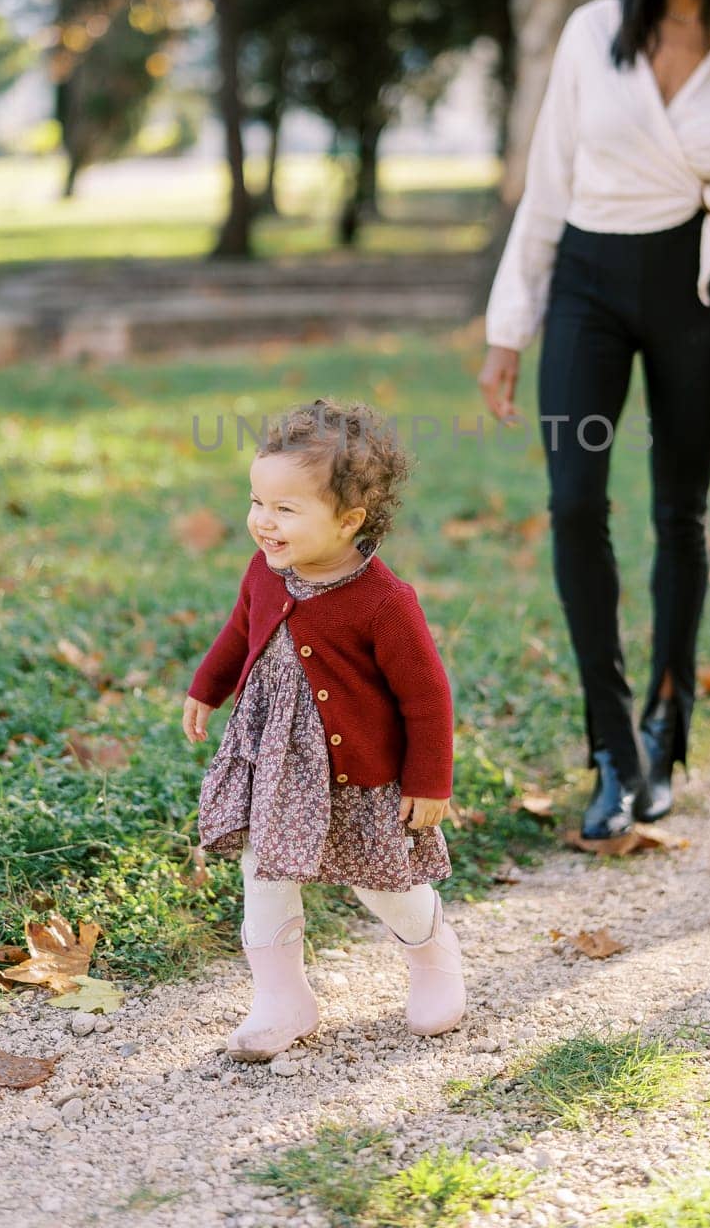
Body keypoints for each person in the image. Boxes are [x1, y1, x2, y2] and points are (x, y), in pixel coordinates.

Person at [480, 0, 710, 840]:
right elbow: (547, 184)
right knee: (574, 501)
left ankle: (667, 722)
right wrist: (507, 328)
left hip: (695, 287)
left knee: (677, 514)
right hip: (586, 292)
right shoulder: (590, 32)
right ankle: (610, 743)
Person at [181, 399, 465, 1058]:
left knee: (381, 882)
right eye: (256, 501)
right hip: (276, 766)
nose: (261, 521)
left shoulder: (383, 603)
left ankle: (431, 955)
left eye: (284, 509)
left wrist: (429, 779)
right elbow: (239, 629)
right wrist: (206, 686)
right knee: (265, 873)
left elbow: (427, 699)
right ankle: (283, 1001)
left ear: (348, 521)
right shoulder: (265, 570)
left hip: (359, 775)